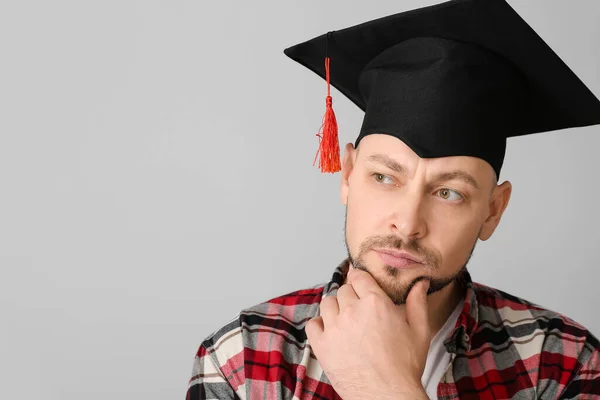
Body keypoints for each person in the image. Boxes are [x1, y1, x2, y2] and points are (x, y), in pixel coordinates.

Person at [186, 0, 600, 398]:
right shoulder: (243, 358)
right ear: (347, 176)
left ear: (493, 211)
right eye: (384, 176)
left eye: (449, 192)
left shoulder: (561, 362)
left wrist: (384, 390)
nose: (407, 222)